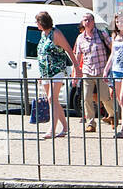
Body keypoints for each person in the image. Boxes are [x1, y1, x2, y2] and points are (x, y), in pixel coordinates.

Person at [33, 11, 74, 139]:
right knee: (53, 101)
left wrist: (76, 68)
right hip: (45, 71)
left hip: (57, 70)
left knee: (52, 98)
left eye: (37, 22)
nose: (36, 24)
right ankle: (65, 127)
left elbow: (68, 49)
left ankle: (52, 129)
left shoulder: (56, 33)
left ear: (42, 22)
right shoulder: (42, 34)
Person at [72, 12, 115, 132]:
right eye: (84, 20)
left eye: (89, 20)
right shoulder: (80, 38)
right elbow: (78, 57)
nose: (86, 22)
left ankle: (113, 115)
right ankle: (91, 123)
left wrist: (110, 66)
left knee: (105, 97)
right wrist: (76, 73)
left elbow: (113, 49)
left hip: (101, 70)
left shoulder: (102, 34)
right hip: (87, 71)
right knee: (86, 98)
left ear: (93, 21)